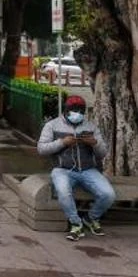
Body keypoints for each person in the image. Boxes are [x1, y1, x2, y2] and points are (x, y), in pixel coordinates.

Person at [37, 95, 116, 241]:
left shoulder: (90, 126)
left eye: (80, 111)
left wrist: (94, 143)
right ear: (66, 111)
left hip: (88, 170)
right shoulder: (52, 125)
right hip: (62, 169)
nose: (77, 114)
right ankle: (76, 224)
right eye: (73, 111)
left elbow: (103, 153)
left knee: (108, 194)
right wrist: (62, 142)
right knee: (63, 192)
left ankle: (90, 218)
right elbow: (41, 149)